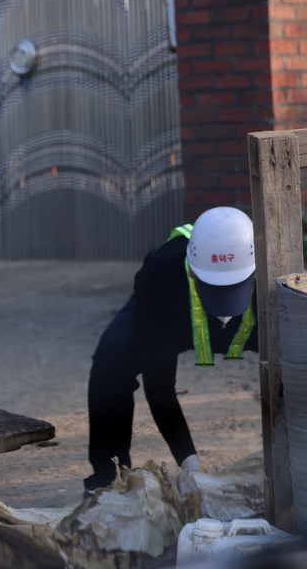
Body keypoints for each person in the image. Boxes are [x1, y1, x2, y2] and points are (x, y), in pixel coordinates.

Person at [84, 207, 259, 495]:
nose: (224, 309)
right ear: (192, 270)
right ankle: (108, 479)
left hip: (250, 317)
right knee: (110, 363)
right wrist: (191, 465)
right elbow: (160, 387)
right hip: (172, 312)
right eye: (215, 288)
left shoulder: (273, 270)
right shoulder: (162, 276)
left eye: (234, 287)